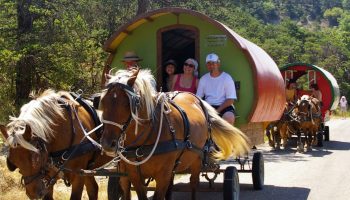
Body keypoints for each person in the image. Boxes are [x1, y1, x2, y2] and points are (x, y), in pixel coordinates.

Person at [196, 53, 237, 124]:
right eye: (209, 63)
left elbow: (230, 100)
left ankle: (225, 135)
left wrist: (217, 111)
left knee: (229, 117)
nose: (211, 66)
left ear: (218, 64)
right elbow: (198, 97)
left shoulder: (227, 78)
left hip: (224, 107)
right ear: (206, 66)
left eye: (213, 63)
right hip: (208, 106)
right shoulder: (203, 79)